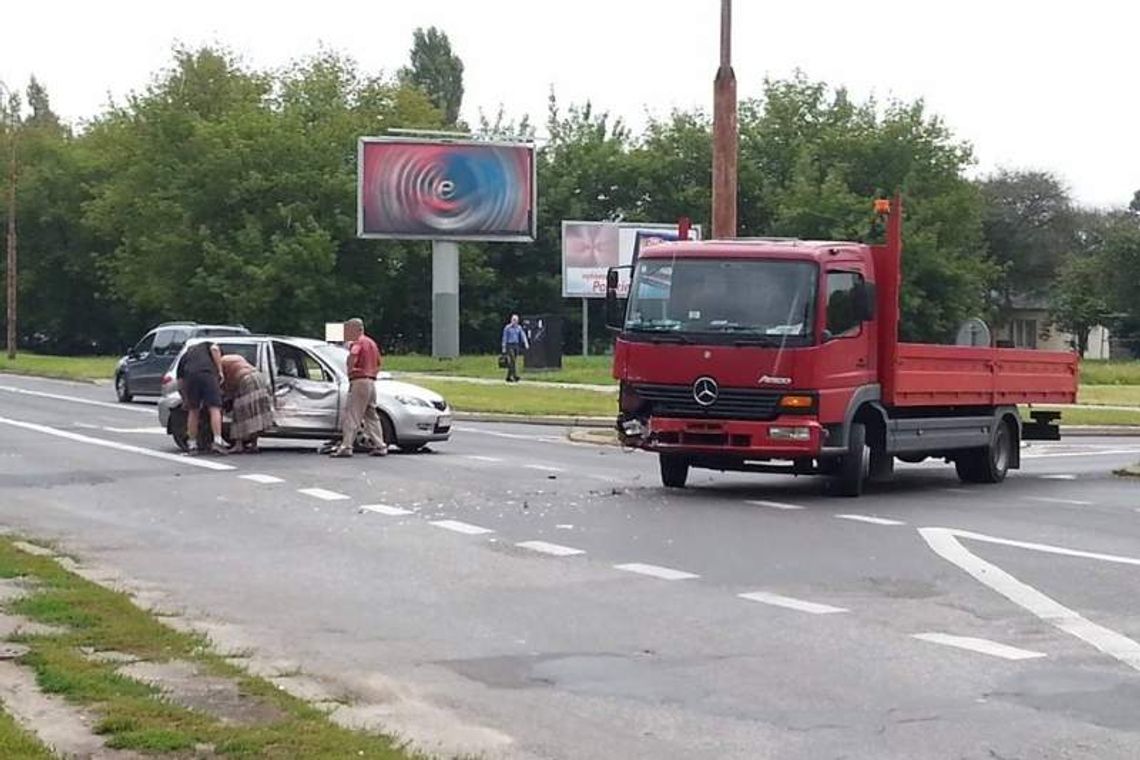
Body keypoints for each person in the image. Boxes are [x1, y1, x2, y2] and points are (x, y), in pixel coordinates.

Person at [330, 318, 387, 458]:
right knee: (371, 415)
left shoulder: (358, 342)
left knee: (352, 414)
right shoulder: (372, 343)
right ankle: (380, 445)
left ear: (356, 329)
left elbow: (353, 355)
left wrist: (350, 371)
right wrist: (372, 374)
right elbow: (379, 362)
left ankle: (346, 446)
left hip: (359, 380)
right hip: (371, 381)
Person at [177, 340, 227, 455]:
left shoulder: (186, 355)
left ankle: (192, 444)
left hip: (190, 377)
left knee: (193, 410)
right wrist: (220, 371)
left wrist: (185, 398)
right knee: (214, 408)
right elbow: (215, 349)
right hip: (207, 375)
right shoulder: (208, 344)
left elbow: (180, 381)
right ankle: (217, 441)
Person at [220, 353, 273, 454]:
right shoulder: (235, 357)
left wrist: (227, 398)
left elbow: (226, 383)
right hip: (259, 377)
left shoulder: (222, 363)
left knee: (240, 411)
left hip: (246, 379)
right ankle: (254, 444)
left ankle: (238, 444)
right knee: (255, 411)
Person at [500, 314, 529, 383]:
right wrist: (503, 347)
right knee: (512, 359)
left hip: (516, 345)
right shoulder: (507, 328)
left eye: (516, 320)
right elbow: (504, 338)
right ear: (511, 320)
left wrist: (526, 343)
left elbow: (522, 335)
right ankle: (515, 376)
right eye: (514, 320)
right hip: (509, 345)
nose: (515, 321)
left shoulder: (519, 328)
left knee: (513, 361)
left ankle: (508, 377)